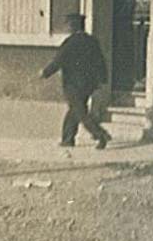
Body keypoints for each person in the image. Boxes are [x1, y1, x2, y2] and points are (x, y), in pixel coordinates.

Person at [40, 13, 112, 149]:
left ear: (72, 26)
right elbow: (100, 61)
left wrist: (45, 73)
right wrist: (102, 80)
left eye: (68, 24)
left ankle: (100, 134)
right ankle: (67, 139)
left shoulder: (70, 43)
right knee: (75, 109)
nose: (67, 27)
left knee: (80, 111)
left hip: (72, 84)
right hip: (89, 84)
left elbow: (58, 61)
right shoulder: (92, 41)